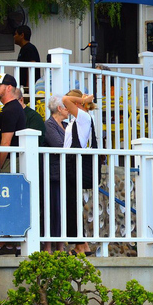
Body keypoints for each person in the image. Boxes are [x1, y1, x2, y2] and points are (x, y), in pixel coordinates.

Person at [63, 89, 98, 256]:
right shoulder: (78, 120)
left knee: (71, 205)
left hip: (74, 164)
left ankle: (79, 245)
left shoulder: (84, 117)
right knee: (72, 205)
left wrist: (85, 99)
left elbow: (64, 99)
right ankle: (82, 244)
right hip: (70, 163)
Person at [43, 95, 68, 253]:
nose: (68, 110)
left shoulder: (66, 124)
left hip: (65, 174)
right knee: (52, 210)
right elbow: (59, 145)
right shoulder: (49, 125)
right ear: (59, 108)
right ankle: (48, 247)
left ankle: (60, 246)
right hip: (53, 174)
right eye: (66, 106)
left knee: (62, 210)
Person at [0, 74, 26, 171]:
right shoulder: (12, 107)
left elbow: (6, 142)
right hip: (11, 159)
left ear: (9, 87)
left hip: (9, 161)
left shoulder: (10, 110)